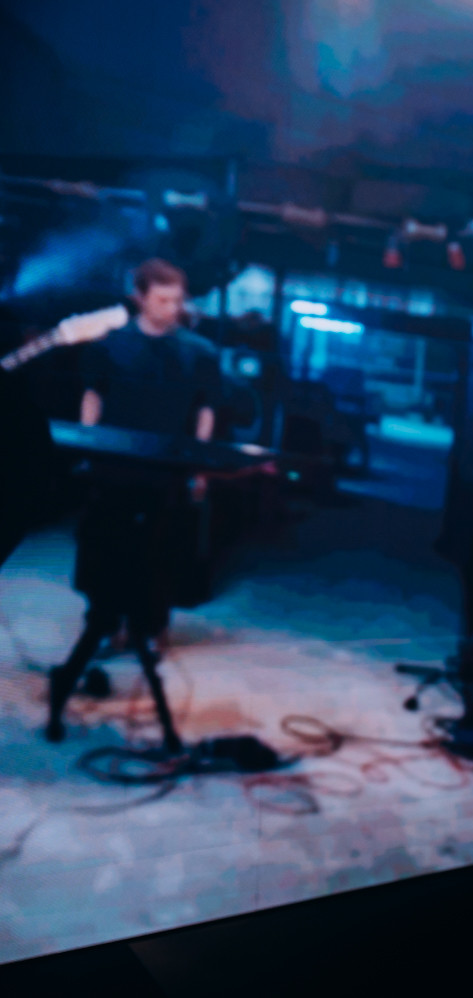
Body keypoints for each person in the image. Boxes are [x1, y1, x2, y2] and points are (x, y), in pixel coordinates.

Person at [45, 258, 220, 750]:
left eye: (177, 300)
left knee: (156, 560)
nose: (172, 308)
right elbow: (93, 397)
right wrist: (90, 447)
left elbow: (205, 408)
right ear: (139, 297)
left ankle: (145, 628)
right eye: (162, 300)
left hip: (163, 477)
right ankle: (102, 627)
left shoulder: (198, 352)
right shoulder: (111, 346)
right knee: (103, 557)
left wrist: (199, 465)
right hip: (114, 475)